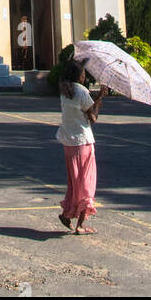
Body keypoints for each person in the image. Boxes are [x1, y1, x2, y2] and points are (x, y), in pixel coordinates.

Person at [56, 58, 108, 235]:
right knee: (86, 183)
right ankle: (80, 224)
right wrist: (100, 96)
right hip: (82, 142)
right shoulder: (81, 91)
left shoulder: (65, 90)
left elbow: (83, 110)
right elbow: (93, 117)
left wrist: (95, 98)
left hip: (69, 142)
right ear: (78, 75)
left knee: (74, 182)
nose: (85, 77)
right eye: (83, 74)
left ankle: (67, 214)